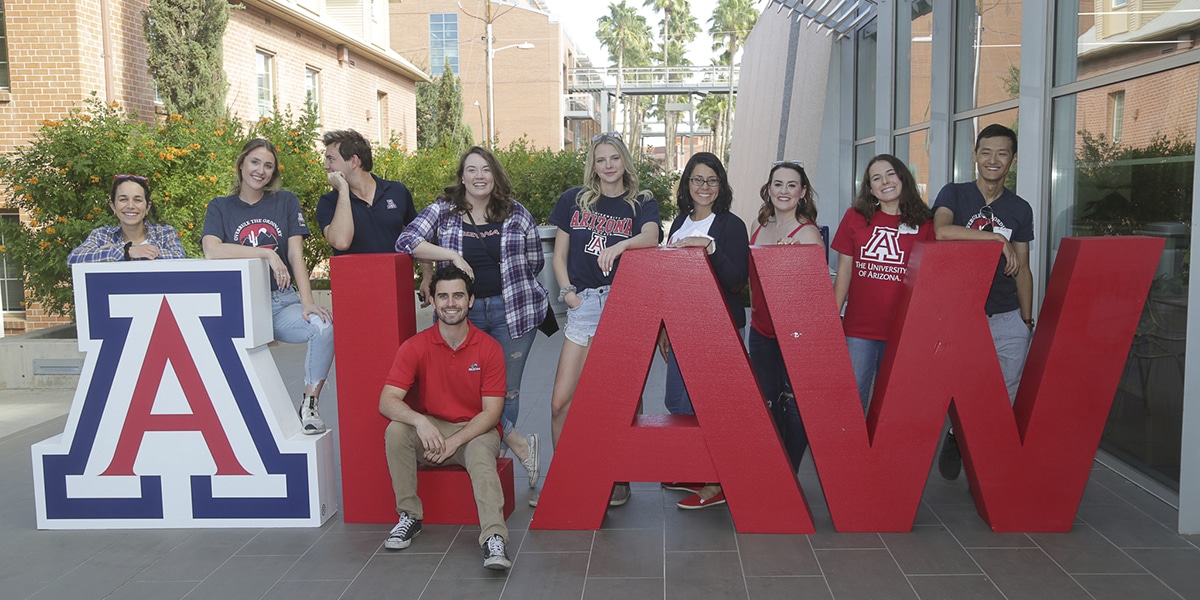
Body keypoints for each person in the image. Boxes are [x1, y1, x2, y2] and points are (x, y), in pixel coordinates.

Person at [395, 146, 548, 490]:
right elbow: (406, 240)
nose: (479, 176)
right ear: (461, 176)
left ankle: (488, 455)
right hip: (465, 312)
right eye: (472, 170)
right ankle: (518, 446)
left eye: (486, 170)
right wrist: (449, 255)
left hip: (515, 312)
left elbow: (534, 261)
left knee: (506, 391)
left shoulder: (516, 213)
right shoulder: (443, 211)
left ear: (495, 175)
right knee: (470, 390)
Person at [539, 132, 661, 508]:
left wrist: (621, 244)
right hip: (584, 303)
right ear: (592, 164)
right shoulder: (574, 200)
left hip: (624, 303)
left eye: (614, 158)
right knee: (561, 401)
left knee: (626, 398)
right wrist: (568, 294)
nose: (607, 165)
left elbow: (652, 237)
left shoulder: (641, 201)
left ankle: (619, 476)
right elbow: (559, 256)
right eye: (600, 159)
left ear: (624, 160)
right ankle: (566, 474)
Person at [378, 265, 513, 571]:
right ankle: (409, 516)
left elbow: (491, 413)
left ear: (470, 301)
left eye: (457, 296)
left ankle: (494, 538)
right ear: (433, 300)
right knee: (396, 430)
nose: (450, 303)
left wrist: (455, 442)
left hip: (475, 429)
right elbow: (386, 401)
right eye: (443, 296)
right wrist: (420, 421)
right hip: (434, 427)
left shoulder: (489, 349)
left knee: (480, 454)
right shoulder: (415, 346)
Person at [201, 139, 334, 435]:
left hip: (281, 303)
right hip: (241, 307)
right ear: (241, 164)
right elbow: (213, 250)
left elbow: (297, 254)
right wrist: (267, 252)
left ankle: (309, 405)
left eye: (268, 165)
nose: (260, 170)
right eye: (255, 162)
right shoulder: (221, 207)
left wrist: (307, 301)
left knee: (322, 327)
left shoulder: (284, 201)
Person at [931, 124, 1034, 481]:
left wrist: (1026, 317)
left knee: (1006, 387)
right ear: (975, 155)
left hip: (1005, 312)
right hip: (960, 313)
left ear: (1013, 160)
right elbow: (941, 232)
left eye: (1002, 153)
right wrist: (993, 241)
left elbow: (1023, 268)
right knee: (961, 383)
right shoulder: (955, 194)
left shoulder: (1020, 208)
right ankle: (957, 433)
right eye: (986, 152)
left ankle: (977, 446)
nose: (994, 160)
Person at [657, 152, 749, 510]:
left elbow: (737, 281)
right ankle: (695, 468)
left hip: (718, 330)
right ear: (687, 184)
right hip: (681, 326)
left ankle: (717, 483)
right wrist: (664, 326)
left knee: (715, 406)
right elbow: (670, 279)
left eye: (711, 180)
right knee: (679, 402)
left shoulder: (731, 225)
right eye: (697, 179)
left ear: (721, 185)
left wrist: (709, 247)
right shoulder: (679, 221)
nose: (704, 187)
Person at [831, 155, 934, 410]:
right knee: (853, 404)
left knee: (892, 406)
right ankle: (853, 450)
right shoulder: (854, 217)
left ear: (902, 178)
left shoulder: (924, 223)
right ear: (870, 187)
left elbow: (928, 280)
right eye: (876, 178)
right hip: (859, 329)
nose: (885, 182)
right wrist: (833, 316)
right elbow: (845, 270)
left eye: (890, 174)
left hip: (903, 330)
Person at [748, 160, 823, 473]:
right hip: (761, 331)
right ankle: (773, 471)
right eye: (778, 184)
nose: (784, 191)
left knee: (795, 407)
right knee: (768, 403)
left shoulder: (807, 234)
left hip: (793, 336)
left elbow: (816, 296)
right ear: (769, 189)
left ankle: (788, 472)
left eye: (792, 185)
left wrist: (796, 262)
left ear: (802, 192)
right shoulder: (759, 226)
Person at [317, 129, 417, 254]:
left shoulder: (397, 191)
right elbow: (341, 242)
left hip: (394, 273)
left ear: (354, 161)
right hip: (354, 273)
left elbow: (417, 238)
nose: (326, 166)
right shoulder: (328, 202)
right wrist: (343, 190)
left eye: (331, 159)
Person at [68, 174, 187, 263]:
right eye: (123, 199)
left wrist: (116, 253)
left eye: (137, 200)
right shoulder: (101, 236)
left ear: (147, 207)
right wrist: (127, 251)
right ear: (113, 206)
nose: (130, 206)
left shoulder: (165, 233)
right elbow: (74, 258)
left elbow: (178, 258)